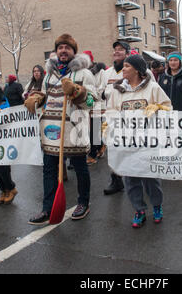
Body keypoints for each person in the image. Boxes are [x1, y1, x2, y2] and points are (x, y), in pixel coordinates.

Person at [25, 34, 96, 225]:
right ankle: (47, 209)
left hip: (74, 130)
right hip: (51, 131)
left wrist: (76, 92)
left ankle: (83, 202)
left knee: (80, 169)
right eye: (60, 47)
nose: (63, 50)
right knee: (48, 170)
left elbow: (92, 101)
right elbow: (47, 96)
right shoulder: (49, 74)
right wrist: (38, 99)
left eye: (67, 48)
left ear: (74, 51)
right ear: (56, 52)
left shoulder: (84, 74)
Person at [108, 54, 172, 228]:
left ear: (137, 69)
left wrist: (158, 108)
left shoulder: (152, 88)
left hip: (148, 141)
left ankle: (157, 206)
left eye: (127, 66)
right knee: (131, 177)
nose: (124, 69)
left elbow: (168, 106)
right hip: (127, 141)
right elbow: (111, 111)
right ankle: (139, 209)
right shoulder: (117, 91)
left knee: (151, 176)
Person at [98, 41, 131, 195]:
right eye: (115, 50)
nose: (117, 52)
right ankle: (116, 180)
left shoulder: (138, 70)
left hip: (131, 118)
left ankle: (138, 177)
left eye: (121, 50)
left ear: (128, 53)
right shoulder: (107, 72)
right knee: (114, 149)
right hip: (112, 117)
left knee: (132, 148)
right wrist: (104, 93)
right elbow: (99, 90)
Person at [83, 50, 107, 166]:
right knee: (91, 129)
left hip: (98, 103)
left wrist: (92, 95)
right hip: (88, 103)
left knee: (95, 129)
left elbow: (102, 86)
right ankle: (101, 145)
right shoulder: (84, 72)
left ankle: (92, 155)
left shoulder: (101, 71)